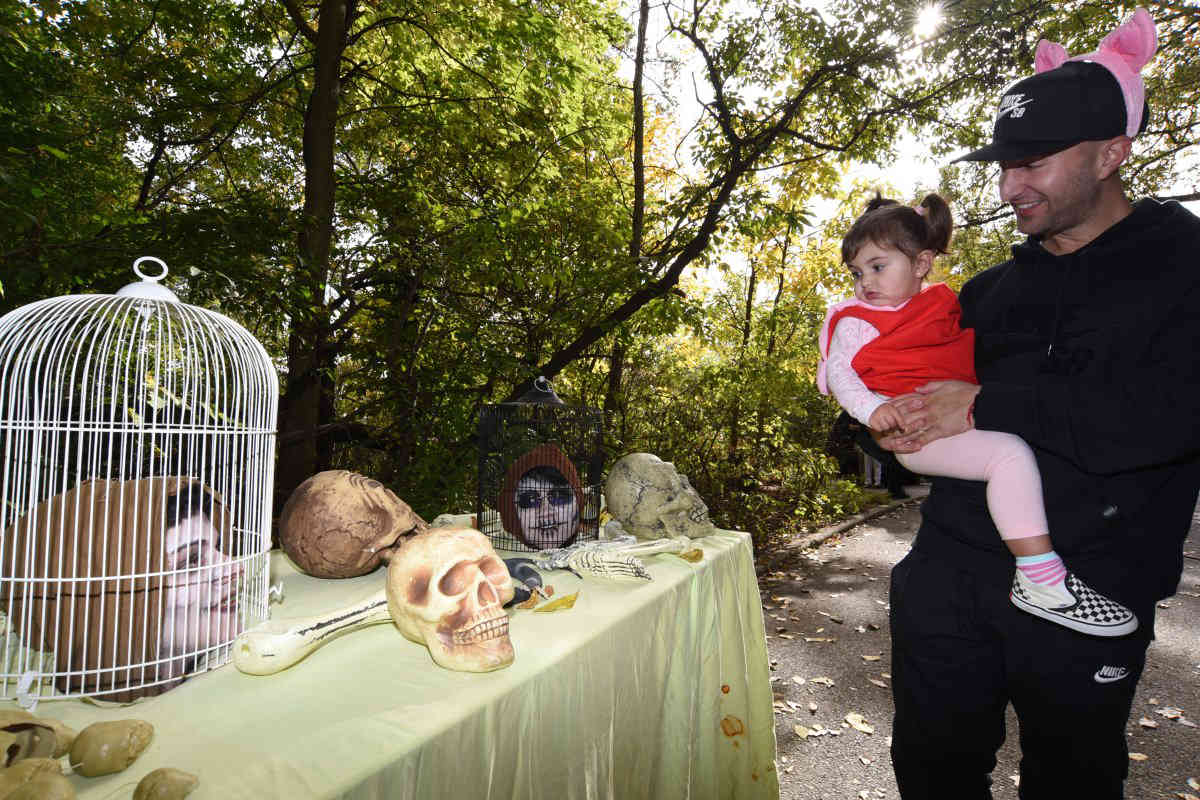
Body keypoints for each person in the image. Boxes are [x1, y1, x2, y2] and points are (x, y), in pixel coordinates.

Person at [874, 8, 1200, 796]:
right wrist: (879, 425)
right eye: (1003, 164)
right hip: (949, 576)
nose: (1009, 185)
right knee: (931, 774)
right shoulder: (987, 293)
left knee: (1071, 782)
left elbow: (1169, 416)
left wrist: (988, 404)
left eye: (1036, 162)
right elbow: (921, 403)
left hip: (1091, 585)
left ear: (1113, 152)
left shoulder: (1184, 266)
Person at [819, 192, 1136, 636]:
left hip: (953, 439)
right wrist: (876, 416)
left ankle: (1037, 572)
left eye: (877, 267)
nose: (865, 282)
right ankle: (1042, 577)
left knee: (1008, 456)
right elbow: (841, 376)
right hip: (917, 432)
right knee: (1008, 456)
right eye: (857, 272)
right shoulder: (858, 319)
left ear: (921, 263)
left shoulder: (943, 306)